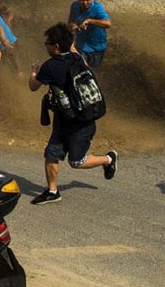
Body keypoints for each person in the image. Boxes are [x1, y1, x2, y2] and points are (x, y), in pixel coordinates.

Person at [28, 23, 117, 205]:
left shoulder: (50, 66)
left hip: (80, 123)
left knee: (76, 162)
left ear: (56, 47)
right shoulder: (77, 58)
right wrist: (72, 36)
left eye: (48, 43)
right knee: (51, 153)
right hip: (68, 118)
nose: (46, 46)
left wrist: (33, 73)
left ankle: (108, 159)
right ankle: (52, 191)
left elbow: (33, 86)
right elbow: (74, 50)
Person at [68, 0, 111, 68]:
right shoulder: (74, 6)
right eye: (82, 0)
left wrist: (89, 21)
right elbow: (70, 22)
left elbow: (108, 24)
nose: (85, 3)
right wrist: (73, 26)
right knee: (79, 67)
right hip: (80, 46)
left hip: (96, 47)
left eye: (88, 0)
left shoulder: (97, 8)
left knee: (91, 70)